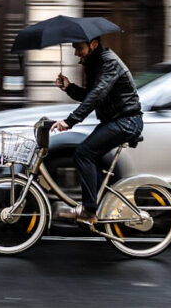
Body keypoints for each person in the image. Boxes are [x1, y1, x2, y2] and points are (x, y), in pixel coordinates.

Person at [50, 38, 143, 224]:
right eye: (75, 48)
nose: (76, 53)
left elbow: (97, 94)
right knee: (89, 157)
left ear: (93, 44)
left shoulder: (109, 62)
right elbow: (91, 96)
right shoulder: (96, 63)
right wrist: (69, 88)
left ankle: (89, 210)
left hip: (127, 121)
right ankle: (101, 203)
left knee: (83, 154)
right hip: (115, 121)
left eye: (79, 48)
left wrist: (70, 121)